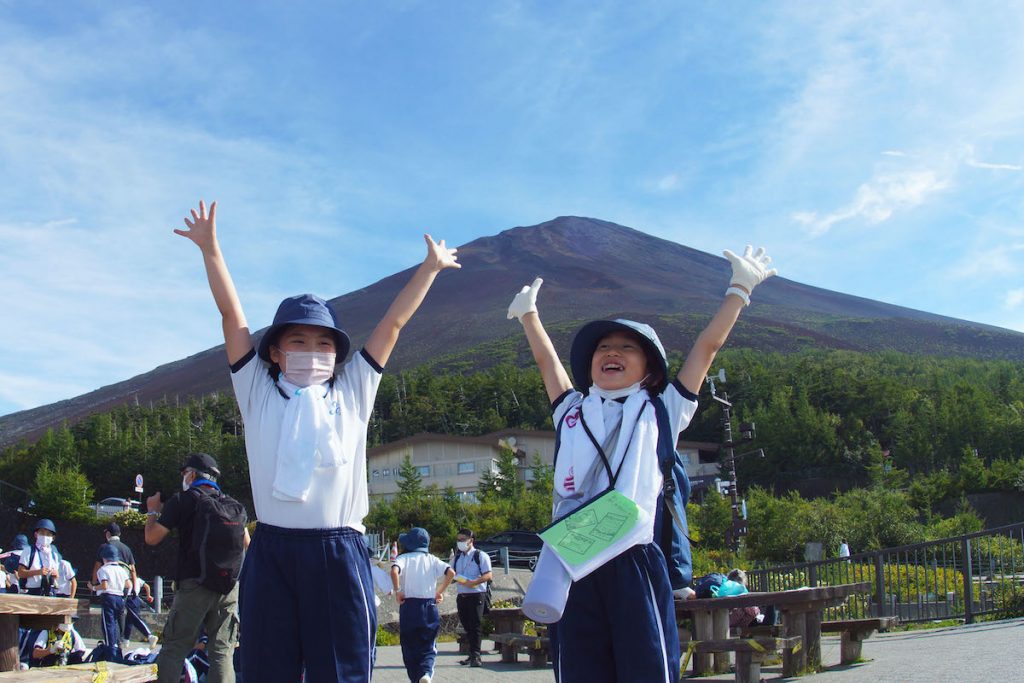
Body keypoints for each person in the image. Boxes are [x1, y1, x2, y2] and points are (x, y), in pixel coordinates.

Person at [174, 199, 460, 683]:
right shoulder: (259, 393)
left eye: (324, 343)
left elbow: (392, 325)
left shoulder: (352, 391)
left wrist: (429, 269)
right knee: (266, 667)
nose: (312, 352)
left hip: (339, 550)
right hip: (272, 549)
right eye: (298, 342)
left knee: (342, 669)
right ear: (275, 354)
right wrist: (211, 248)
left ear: (337, 354)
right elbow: (231, 317)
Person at [506, 245, 776, 682]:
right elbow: (546, 363)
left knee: (646, 665)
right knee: (578, 667)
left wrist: (739, 289)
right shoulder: (571, 410)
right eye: (603, 347)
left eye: (627, 347)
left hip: (632, 553)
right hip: (572, 558)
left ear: (649, 369)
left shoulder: (661, 409)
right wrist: (529, 316)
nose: (612, 352)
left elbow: (706, 349)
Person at [145, 452, 248, 683]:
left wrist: (152, 510)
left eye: (185, 473)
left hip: (194, 585)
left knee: (175, 647)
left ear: (192, 474)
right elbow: (247, 544)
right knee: (222, 652)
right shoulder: (233, 505)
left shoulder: (183, 500)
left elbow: (152, 537)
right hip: (228, 586)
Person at [390, 527, 455, 683]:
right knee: (428, 644)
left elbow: (394, 571)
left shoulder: (403, 558)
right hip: (428, 605)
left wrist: (398, 590)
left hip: (409, 605)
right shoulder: (432, 559)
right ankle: (426, 672)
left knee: (408, 644)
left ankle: (414, 677)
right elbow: (451, 572)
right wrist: (439, 591)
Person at [451, 528, 493, 668]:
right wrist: (452, 578)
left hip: (476, 595)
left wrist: (474, 582)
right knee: (467, 625)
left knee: (475, 625)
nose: (460, 542)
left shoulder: (480, 555)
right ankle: (471, 654)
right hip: (462, 595)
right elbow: (451, 574)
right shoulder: (457, 557)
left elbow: (488, 575)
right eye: (458, 540)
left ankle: (476, 655)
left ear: (471, 541)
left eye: (463, 540)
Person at [92, 543, 131, 660]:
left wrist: (93, 588)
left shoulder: (103, 569)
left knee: (108, 624)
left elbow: (104, 585)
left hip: (108, 597)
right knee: (116, 624)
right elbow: (128, 585)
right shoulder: (121, 569)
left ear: (104, 558)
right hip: (120, 598)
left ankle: (110, 650)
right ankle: (117, 647)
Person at [18, 519, 64, 596]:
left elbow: (58, 575)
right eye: (42, 533)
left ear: (53, 538)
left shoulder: (54, 554)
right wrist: (38, 572)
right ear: (36, 534)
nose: (45, 536)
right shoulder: (29, 550)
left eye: (48, 534)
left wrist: (56, 575)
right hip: (32, 592)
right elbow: (21, 573)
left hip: (50, 591)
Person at [94, 522, 137, 588]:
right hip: (123, 585)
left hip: (107, 586)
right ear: (119, 534)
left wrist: (94, 584)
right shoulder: (127, 549)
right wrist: (135, 588)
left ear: (108, 534)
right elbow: (133, 570)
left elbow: (97, 566)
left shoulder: (104, 547)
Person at [124, 574, 160, 649]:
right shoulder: (138, 579)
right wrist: (148, 595)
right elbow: (147, 586)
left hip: (130, 598)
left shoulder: (127, 579)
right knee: (129, 620)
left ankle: (150, 636)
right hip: (136, 599)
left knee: (135, 618)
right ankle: (126, 640)